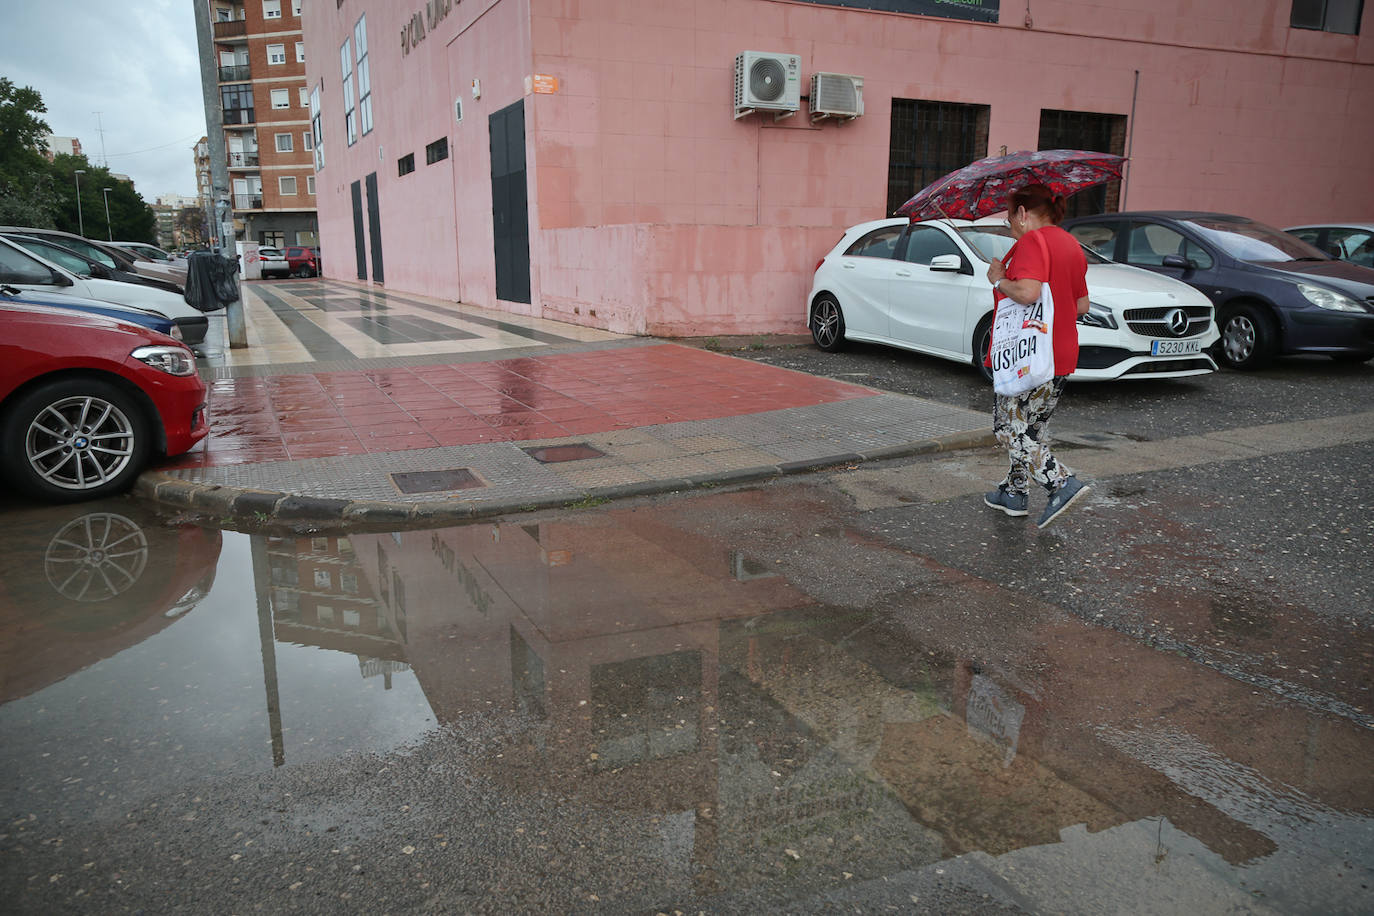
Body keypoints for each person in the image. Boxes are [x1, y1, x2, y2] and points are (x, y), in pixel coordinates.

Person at [982, 183, 1092, 528]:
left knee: (1008, 428)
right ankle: (1014, 492)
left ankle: (1061, 483)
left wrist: (999, 280)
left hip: (1028, 356)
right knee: (1031, 429)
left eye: (1009, 219)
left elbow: (1028, 292)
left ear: (1022, 213)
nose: (1010, 227)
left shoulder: (1032, 241)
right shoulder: (1071, 244)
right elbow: (1081, 305)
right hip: (1060, 353)